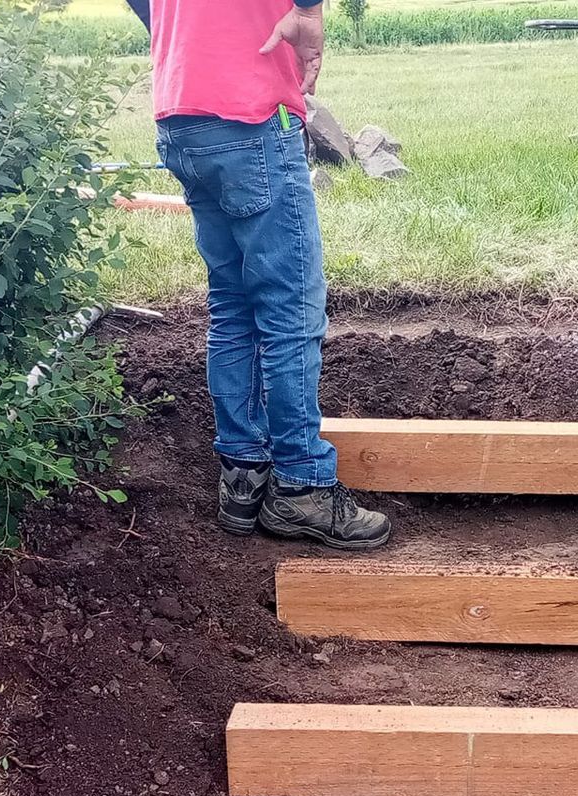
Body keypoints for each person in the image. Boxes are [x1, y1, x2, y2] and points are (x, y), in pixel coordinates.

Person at [125, 0, 392, 550]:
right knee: (290, 310)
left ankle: (243, 476)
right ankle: (301, 485)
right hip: (248, 112)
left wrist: (185, 30)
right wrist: (309, 10)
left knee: (233, 304)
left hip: (181, 114)